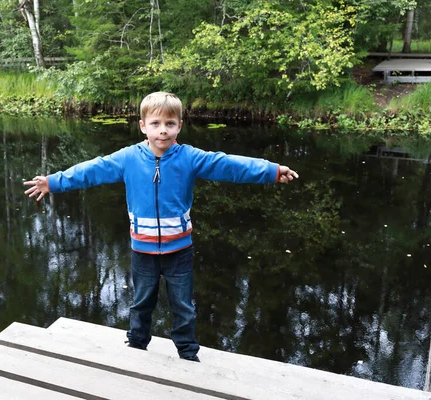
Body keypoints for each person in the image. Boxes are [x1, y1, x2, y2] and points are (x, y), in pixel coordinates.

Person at [24, 92, 298, 362]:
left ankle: (188, 354)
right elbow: (91, 170)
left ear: (180, 125)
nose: (163, 131)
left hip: (180, 251)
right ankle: (136, 346)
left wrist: (271, 170)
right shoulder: (128, 158)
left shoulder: (189, 157)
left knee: (183, 307)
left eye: (170, 124)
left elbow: (229, 165)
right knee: (141, 303)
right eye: (155, 124)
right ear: (143, 126)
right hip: (142, 251)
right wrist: (53, 182)